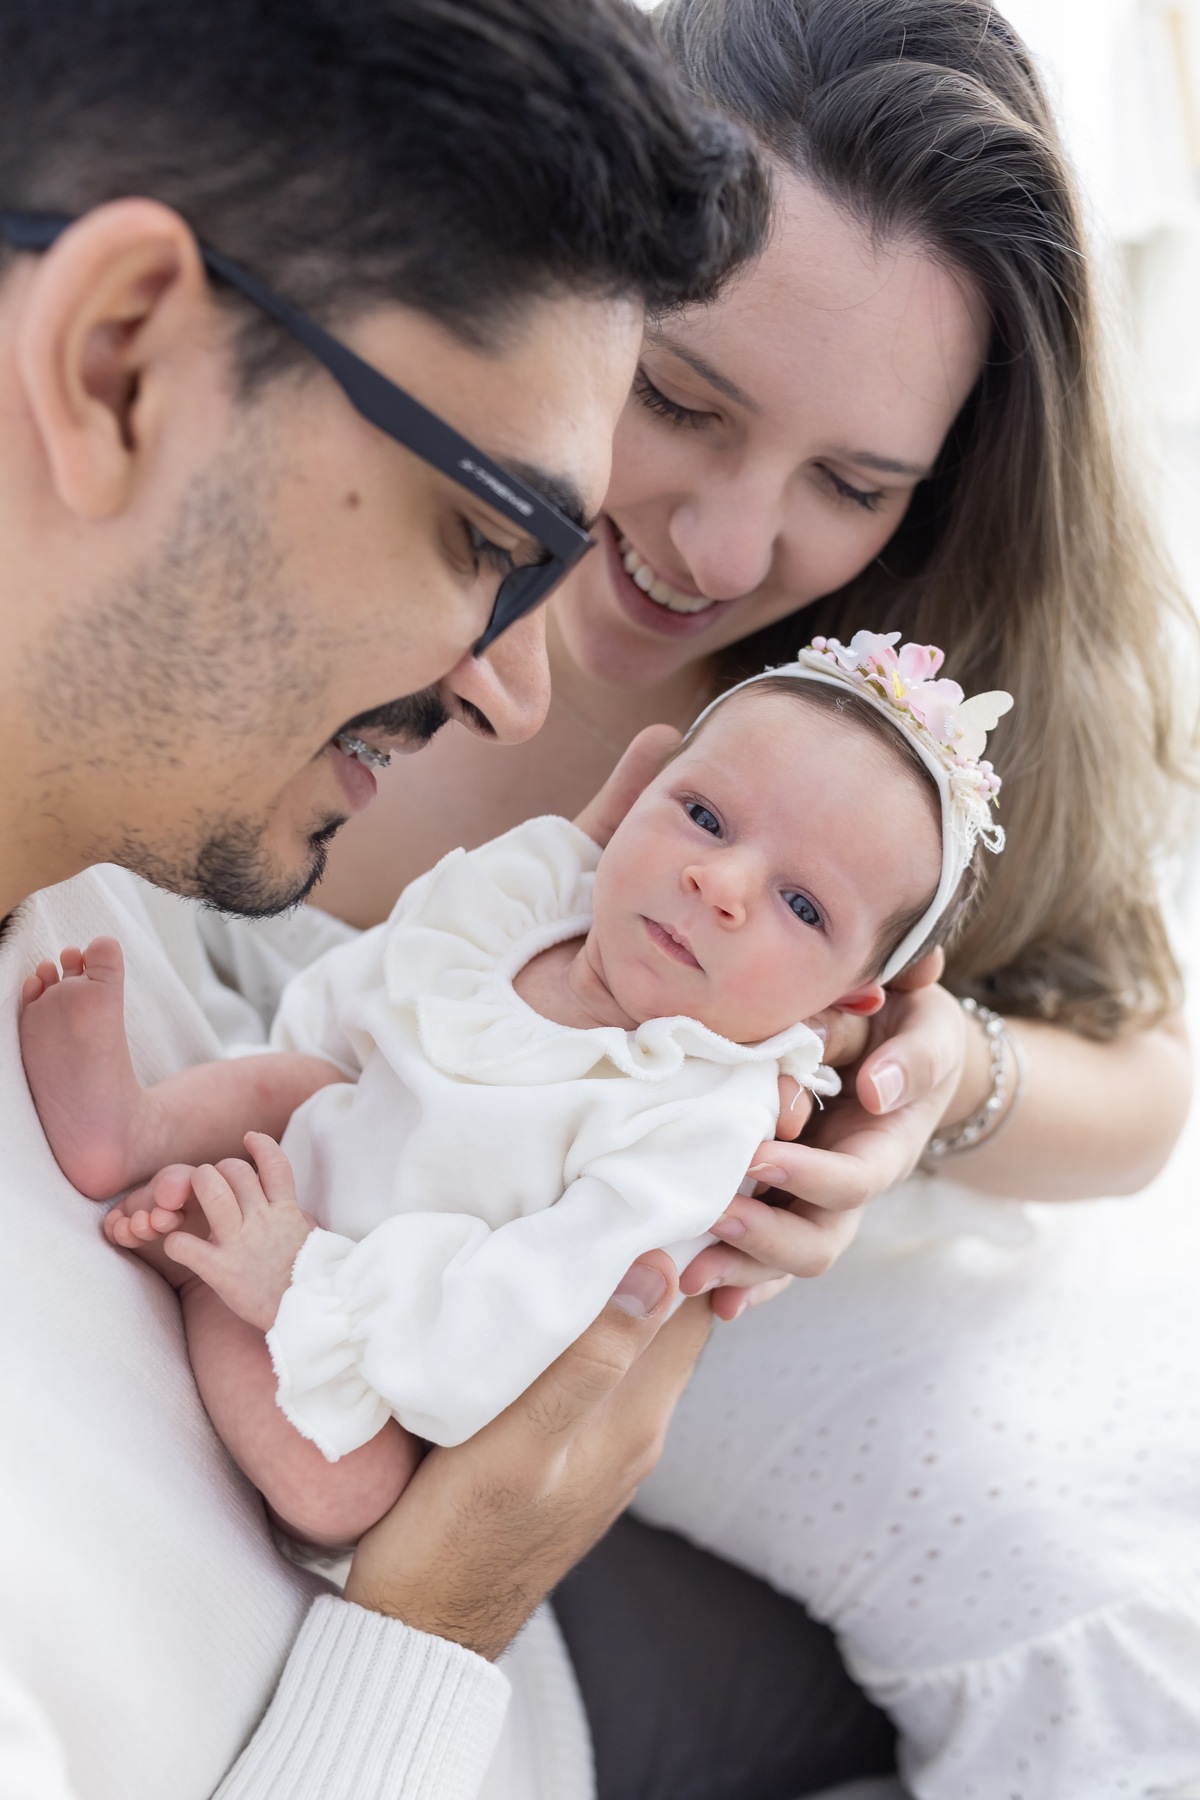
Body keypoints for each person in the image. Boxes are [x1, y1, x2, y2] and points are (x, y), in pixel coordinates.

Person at [292, 1, 1200, 1794]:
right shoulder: (300, 530)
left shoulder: (868, 708)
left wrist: (942, 1091)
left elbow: (1144, 1085)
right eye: (679, 402)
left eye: (853, 484)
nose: (722, 547)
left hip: (899, 1334)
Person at [0, 1, 771, 1797]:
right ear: (118, 364)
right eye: (489, 541)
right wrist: (442, 1617)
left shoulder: (109, 848)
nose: (513, 691)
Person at [22, 638, 1008, 1553]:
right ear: (643, 790)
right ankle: (135, 1128)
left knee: (344, 1498)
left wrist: (306, 1282)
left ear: (843, 1002)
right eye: (704, 815)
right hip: (319, 1147)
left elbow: (529, 1311)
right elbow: (359, 1002)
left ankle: (217, 1279)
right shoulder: (538, 893)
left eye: (802, 906)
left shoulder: (703, 1126)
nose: (721, 881)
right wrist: (258, 1114)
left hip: (395, 1334)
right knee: (301, 1080)